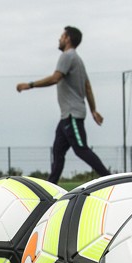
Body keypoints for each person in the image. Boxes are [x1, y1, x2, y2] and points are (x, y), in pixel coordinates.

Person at [16, 26, 111, 184]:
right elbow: (87, 86)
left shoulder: (68, 56)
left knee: (81, 149)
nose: (59, 39)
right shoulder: (78, 60)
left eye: (61, 36)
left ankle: (110, 179)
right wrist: (93, 110)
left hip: (72, 114)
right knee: (58, 151)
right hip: (67, 116)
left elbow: (55, 78)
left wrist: (29, 85)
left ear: (68, 39)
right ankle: (50, 187)